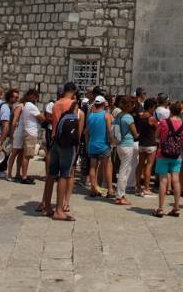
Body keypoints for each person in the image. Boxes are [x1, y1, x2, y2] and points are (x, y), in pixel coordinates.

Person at [40, 81, 81, 220]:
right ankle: (58, 210)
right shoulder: (73, 104)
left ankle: (46, 206)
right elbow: (74, 126)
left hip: (55, 140)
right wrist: (78, 143)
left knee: (51, 174)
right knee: (64, 175)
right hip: (67, 144)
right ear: (74, 91)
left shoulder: (56, 104)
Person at [152, 100, 183, 218]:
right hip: (177, 155)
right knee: (176, 180)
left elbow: (156, 136)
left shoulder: (163, 122)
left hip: (163, 154)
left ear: (170, 110)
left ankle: (160, 208)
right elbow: (182, 141)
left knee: (163, 181)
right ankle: (176, 207)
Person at [86, 95, 114, 197]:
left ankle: (93, 189)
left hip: (92, 145)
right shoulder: (106, 115)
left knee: (93, 167)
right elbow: (108, 130)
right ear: (103, 104)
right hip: (104, 145)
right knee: (107, 167)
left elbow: (87, 132)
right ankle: (110, 190)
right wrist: (111, 141)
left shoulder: (91, 116)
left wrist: (87, 144)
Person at [114, 95, 138, 205]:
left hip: (119, 145)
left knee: (123, 170)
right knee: (124, 172)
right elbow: (135, 134)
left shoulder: (119, 115)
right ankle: (120, 196)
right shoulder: (128, 117)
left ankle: (120, 194)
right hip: (127, 144)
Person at [18, 90, 44, 183]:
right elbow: (41, 118)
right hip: (30, 132)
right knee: (27, 156)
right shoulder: (31, 106)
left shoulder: (26, 105)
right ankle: (24, 177)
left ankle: (23, 175)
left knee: (26, 155)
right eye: (35, 96)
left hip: (28, 131)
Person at [135, 97, 158, 197]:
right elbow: (157, 130)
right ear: (151, 107)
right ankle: (147, 188)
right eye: (154, 107)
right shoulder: (152, 118)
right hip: (150, 144)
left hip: (141, 143)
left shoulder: (141, 117)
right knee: (148, 166)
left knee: (140, 165)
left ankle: (138, 186)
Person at [6, 91, 26, 181]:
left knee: (21, 153)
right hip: (17, 132)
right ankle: (9, 173)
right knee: (14, 153)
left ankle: (18, 173)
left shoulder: (24, 106)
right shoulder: (19, 106)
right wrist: (11, 134)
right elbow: (14, 121)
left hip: (22, 132)